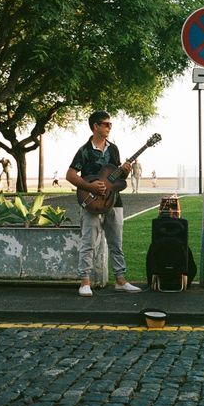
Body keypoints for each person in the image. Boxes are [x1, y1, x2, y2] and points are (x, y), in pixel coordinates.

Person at [66, 110, 141, 297]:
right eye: (105, 124)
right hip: (91, 203)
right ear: (95, 126)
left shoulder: (113, 149)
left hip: (114, 202)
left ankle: (121, 281)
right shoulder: (84, 150)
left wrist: (125, 171)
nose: (109, 127)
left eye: (110, 124)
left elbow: (116, 179)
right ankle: (84, 282)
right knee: (88, 243)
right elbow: (70, 175)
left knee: (116, 243)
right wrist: (89, 187)